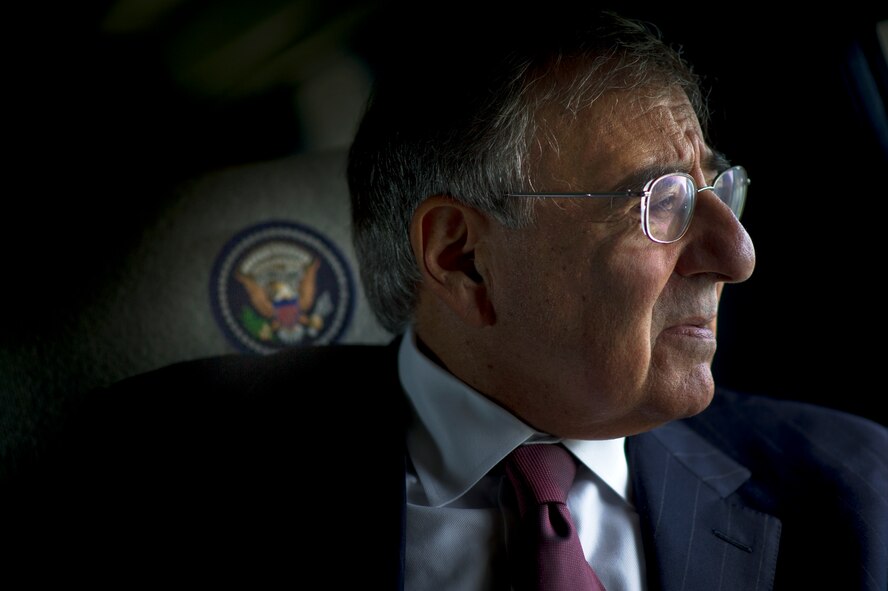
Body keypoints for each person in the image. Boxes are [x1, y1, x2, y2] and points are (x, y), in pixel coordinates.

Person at [2, 6, 886, 591]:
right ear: (460, 258)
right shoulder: (160, 477)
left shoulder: (860, 495)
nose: (737, 254)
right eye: (659, 203)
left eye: (719, 189)